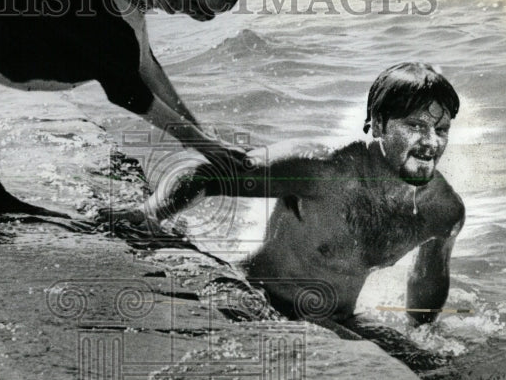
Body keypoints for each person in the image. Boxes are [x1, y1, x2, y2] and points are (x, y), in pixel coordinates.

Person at [103, 62, 465, 357]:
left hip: (336, 321)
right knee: (369, 359)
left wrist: (423, 339)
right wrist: (148, 217)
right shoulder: (321, 169)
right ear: (380, 124)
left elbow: (426, 284)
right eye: (415, 126)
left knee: (430, 368)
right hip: (254, 301)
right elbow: (209, 175)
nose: (431, 143)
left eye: (441, 129)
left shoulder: (443, 212)